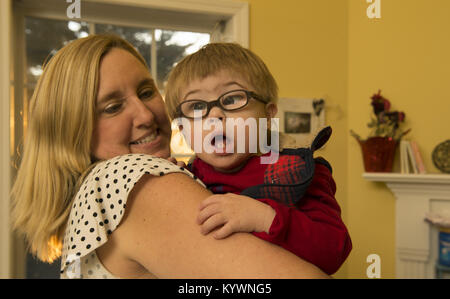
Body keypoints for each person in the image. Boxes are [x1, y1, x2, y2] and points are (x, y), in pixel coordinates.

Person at [10, 34, 329, 279]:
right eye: (112, 107)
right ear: (72, 131)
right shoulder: (135, 179)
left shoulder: (95, 196)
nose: (146, 114)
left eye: (147, 92)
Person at [164, 43, 352, 275]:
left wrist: (264, 218)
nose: (214, 115)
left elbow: (334, 251)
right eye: (196, 106)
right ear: (182, 127)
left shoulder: (296, 171)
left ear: (268, 115)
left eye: (232, 99)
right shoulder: (188, 177)